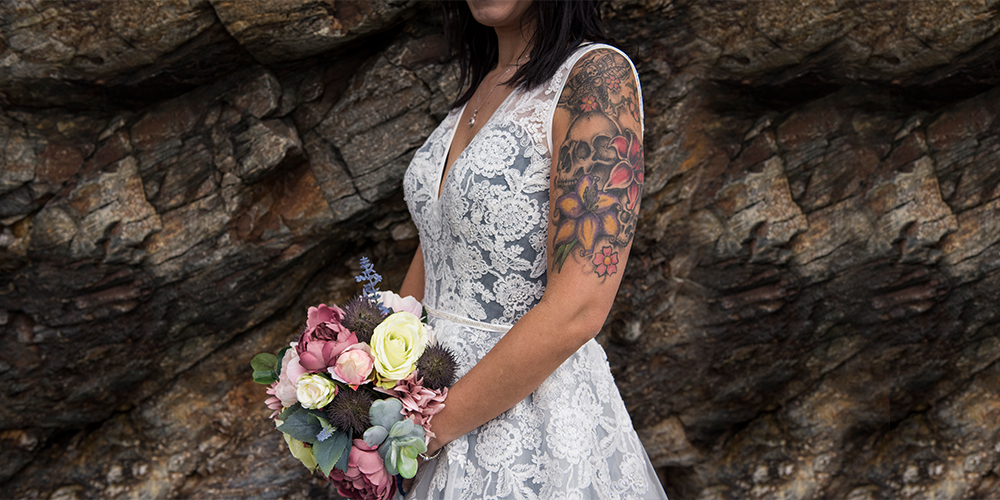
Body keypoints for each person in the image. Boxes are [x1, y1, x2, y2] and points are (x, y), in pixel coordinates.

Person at [398, 0, 667, 498]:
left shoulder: (597, 79)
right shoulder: (481, 88)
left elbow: (579, 308)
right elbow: (438, 246)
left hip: (527, 421)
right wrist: (365, 375)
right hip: (422, 406)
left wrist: (426, 432)